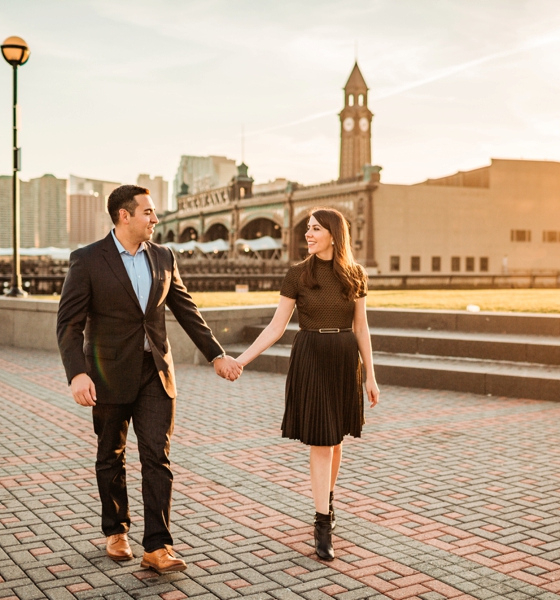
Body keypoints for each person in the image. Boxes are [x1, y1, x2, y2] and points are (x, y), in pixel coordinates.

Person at [56, 184, 242, 574]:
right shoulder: (87, 260)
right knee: (111, 455)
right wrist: (77, 374)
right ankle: (116, 529)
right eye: (149, 213)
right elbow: (69, 325)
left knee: (157, 456)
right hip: (107, 374)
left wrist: (216, 354)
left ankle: (157, 546)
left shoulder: (164, 256)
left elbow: (185, 309)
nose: (155, 219)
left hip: (155, 373)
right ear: (125, 215)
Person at [235, 207, 380, 561]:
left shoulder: (354, 274)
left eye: (316, 229)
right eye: (308, 229)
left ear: (334, 233)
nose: (309, 234)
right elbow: (275, 326)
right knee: (322, 437)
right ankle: (322, 521)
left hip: (345, 357)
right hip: (311, 354)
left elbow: (361, 327)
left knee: (336, 436)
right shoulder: (298, 274)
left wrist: (371, 376)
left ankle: (326, 500)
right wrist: (241, 360)